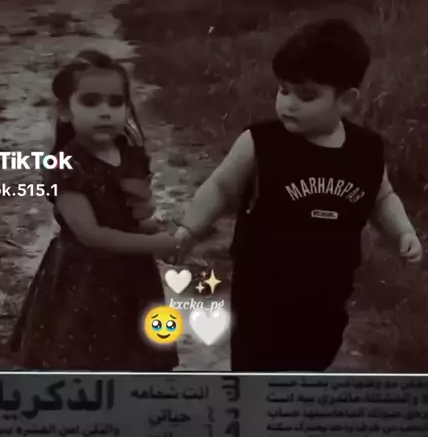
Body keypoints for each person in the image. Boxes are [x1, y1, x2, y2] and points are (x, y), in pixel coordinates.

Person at [173, 19, 423, 372]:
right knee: (258, 368)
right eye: (283, 90)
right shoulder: (261, 143)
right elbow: (220, 187)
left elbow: (382, 197)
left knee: (314, 359)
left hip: (329, 292)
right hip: (262, 293)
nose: (288, 104)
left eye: (306, 95)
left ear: (347, 100)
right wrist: (189, 229)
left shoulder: (366, 150)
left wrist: (403, 231)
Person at [10, 49, 178, 371]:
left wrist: (158, 230)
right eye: (90, 102)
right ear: (64, 111)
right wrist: (155, 244)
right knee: (87, 357)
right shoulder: (67, 167)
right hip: (85, 277)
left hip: (133, 275)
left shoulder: (130, 155)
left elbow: (134, 216)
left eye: (116, 103)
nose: (105, 112)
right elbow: (91, 234)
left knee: (137, 355)